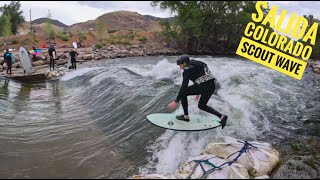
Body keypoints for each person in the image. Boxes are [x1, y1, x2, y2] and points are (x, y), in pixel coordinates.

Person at [168, 54, 228, 129]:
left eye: (180, 65)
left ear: (184, 63)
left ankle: (186, 117)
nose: (180, 67)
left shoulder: (187, 70)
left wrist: (176, 101)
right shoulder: (200, 63)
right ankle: (222, 116)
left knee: (184, 93)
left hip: (203, 86)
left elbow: (184, 86)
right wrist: (198, 91)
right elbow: (202, 76)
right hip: (211, 86)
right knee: (202, 106)